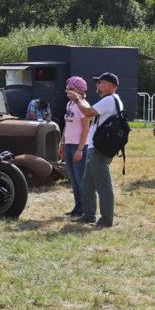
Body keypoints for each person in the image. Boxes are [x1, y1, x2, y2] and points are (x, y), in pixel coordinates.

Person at [67, 72, 122, 228]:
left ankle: (106, 220)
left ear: (109, 85)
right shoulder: (111, 100)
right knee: (88, 184)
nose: (97, 85)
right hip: (96, 147)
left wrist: (77, 99)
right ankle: (89, 215)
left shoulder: (109, 100)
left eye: (100, 82)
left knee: (103, 186)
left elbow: (88, 112)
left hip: (99, 148)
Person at [59, 76, 91, 218]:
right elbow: (67, 124)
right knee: (72, 178)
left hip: (79, 146)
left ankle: (85, 209)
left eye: (70, 89)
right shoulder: (69, 105)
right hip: (69, 145)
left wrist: (80, 148)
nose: (67, 91)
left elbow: (86, 129)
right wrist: (62, 141)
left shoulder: (84, 106)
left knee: (80, 178)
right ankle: (78, 207)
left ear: (78, 90)